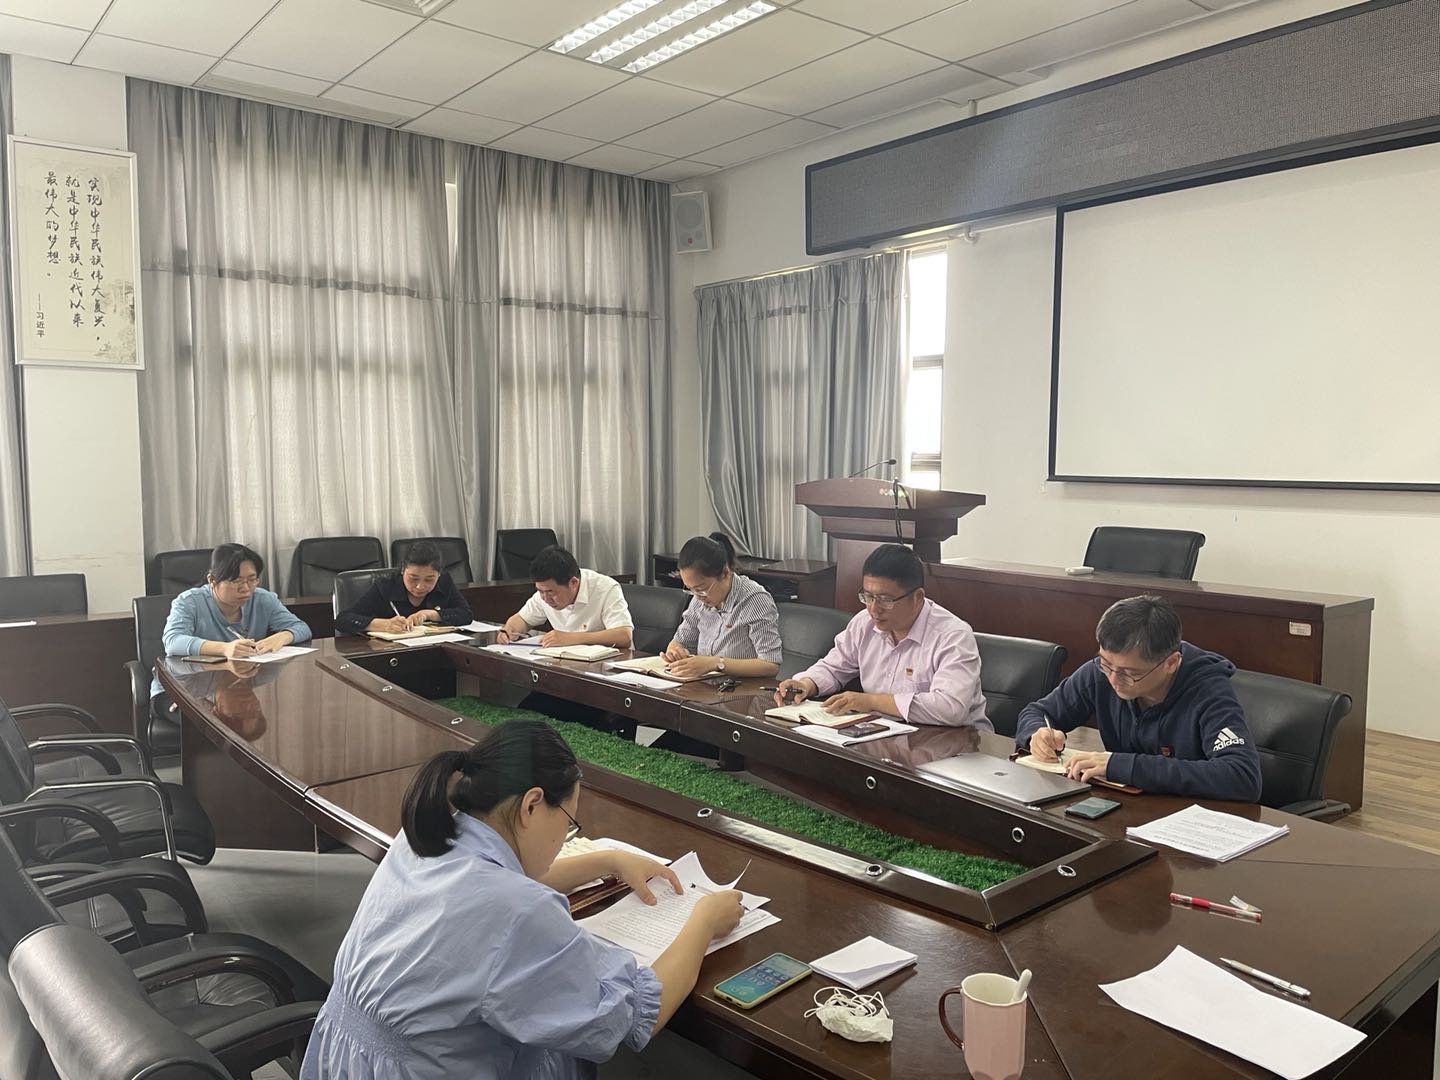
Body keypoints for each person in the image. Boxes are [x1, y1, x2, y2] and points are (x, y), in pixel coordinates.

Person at [300, 719, 743, 1080]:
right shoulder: (519, 910)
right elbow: (633, 1017)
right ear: (531, 805)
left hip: (342, 1061)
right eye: (569, 822)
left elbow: (494, 887)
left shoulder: (424, 837)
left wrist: (607, 860)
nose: (565, 836)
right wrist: (704, 920)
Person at [1013, 594, 1263, 801]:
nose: (1113, 679)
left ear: (1171, 663)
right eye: (1105, 663)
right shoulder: (1102, 672)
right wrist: (1036, 734)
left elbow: (1242, 776)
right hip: (1124, 809)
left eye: (1129, 673)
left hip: (1188, 820)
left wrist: (1122, 766)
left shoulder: (1208, 690)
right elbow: (1037, 712)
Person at [773, 543, 991, 730]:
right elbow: (833, 667)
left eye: (885, 600)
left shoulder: (952, 636)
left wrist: (871, 701)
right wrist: (806, 684)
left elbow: (950, 709)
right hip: (885, 733)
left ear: (918, 597)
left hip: (957, 742)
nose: (874, 609)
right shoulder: (864, 623)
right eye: (868, 596)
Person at [152, 543, 312, 702]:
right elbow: (173, 641)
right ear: (212, 580)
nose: (246, 588)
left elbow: (301, 628)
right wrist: (225, 649)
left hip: (235, 690)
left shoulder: (263, 599)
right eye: (236, 581)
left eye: (252, 580)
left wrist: (281, 637)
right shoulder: (189, 602)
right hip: (180, 691)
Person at [662, 533, 781, 679]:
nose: (697, 597)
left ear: (725, 573)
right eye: (690, 589)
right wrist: (675, 652)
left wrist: (716, 663)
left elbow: (770, 665)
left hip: (743, 688)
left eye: (701, 589)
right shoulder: (699, 600)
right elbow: (680, 641)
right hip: (703, 686)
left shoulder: (755, 600)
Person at [498, 546, 633, 650]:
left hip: (608, 667)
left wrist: (571, 638)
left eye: (551, 592)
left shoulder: (605, 588)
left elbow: (624, 635)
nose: (545, 599)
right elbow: (522, 619)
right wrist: (509, 630)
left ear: (573, 583)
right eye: (540, 591)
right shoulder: (545, 592)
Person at [334, 539, 474, 636]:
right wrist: (382, 624)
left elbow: (466, 614)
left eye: (429, 579)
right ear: (403, 570)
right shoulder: (385, 586)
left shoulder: (444, 582)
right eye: (413, 578)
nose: (420, 586)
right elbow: (343, 620)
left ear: (439, 574)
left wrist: (429, 614)